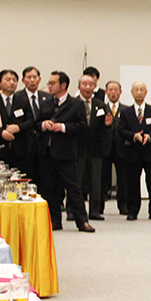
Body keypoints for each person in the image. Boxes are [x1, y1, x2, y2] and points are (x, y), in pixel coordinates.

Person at [38, 71, 95, 232]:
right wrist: (44, 125)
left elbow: (82, 126)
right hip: (47, 152)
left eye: (52, 83)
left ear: (63, 85)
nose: (49, 86)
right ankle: (54, 220)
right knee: (50, 189)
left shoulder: (75, 104)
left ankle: (82, 221)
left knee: (73, 188)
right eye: (49, 83)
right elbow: (37, 123)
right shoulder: (46, 102)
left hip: (66, 153)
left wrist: (63, 127)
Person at [118, 81, 151, 221]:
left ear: (146, 92)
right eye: (136, 90)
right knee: (133, 183)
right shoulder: (126, 112)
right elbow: (121, 130)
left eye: (141, 90)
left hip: (150, 153)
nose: (139, 92)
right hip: (132, 153)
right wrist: (134, 136)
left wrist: (149, 136)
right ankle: (133, 210)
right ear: (132, 92)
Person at [76, 74, 110, 220]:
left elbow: (105, 129)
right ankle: (74, 210)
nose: (88, 87)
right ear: (79, 87)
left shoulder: (100, 105)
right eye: (85, 84)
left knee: (96, 182)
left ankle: (95, 211)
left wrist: (108, 126)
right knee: (76, 181)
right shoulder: (73, 103)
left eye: (91, 84)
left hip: (96, 150)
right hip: (77, 149)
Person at [17, 66, 51, 186]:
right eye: (29, 77)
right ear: (23, 80)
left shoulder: (47, 97)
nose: (32, 80)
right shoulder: (17, 97)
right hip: (24, 145)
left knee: (45, 179)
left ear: (39, 79)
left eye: (34, 77)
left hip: (44, 145)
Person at [101, 81, 128, 215]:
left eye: (115, 90)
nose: (113, 92)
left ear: (120, 92)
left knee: (123, 178)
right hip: (104, 148)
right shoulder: (101, 108)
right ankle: (99, 206)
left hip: (121, 148)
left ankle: (123, 205)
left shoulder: (126, 110)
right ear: (106, 92)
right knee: (102, 177)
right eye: (110, 90)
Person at [0, 69, 23, 166]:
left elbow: (30, 120)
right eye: (8, 80)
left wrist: (18, 127)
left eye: (14, 80)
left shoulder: (22, 101)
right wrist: (1, 132)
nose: (12, 82)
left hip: (20, 149)